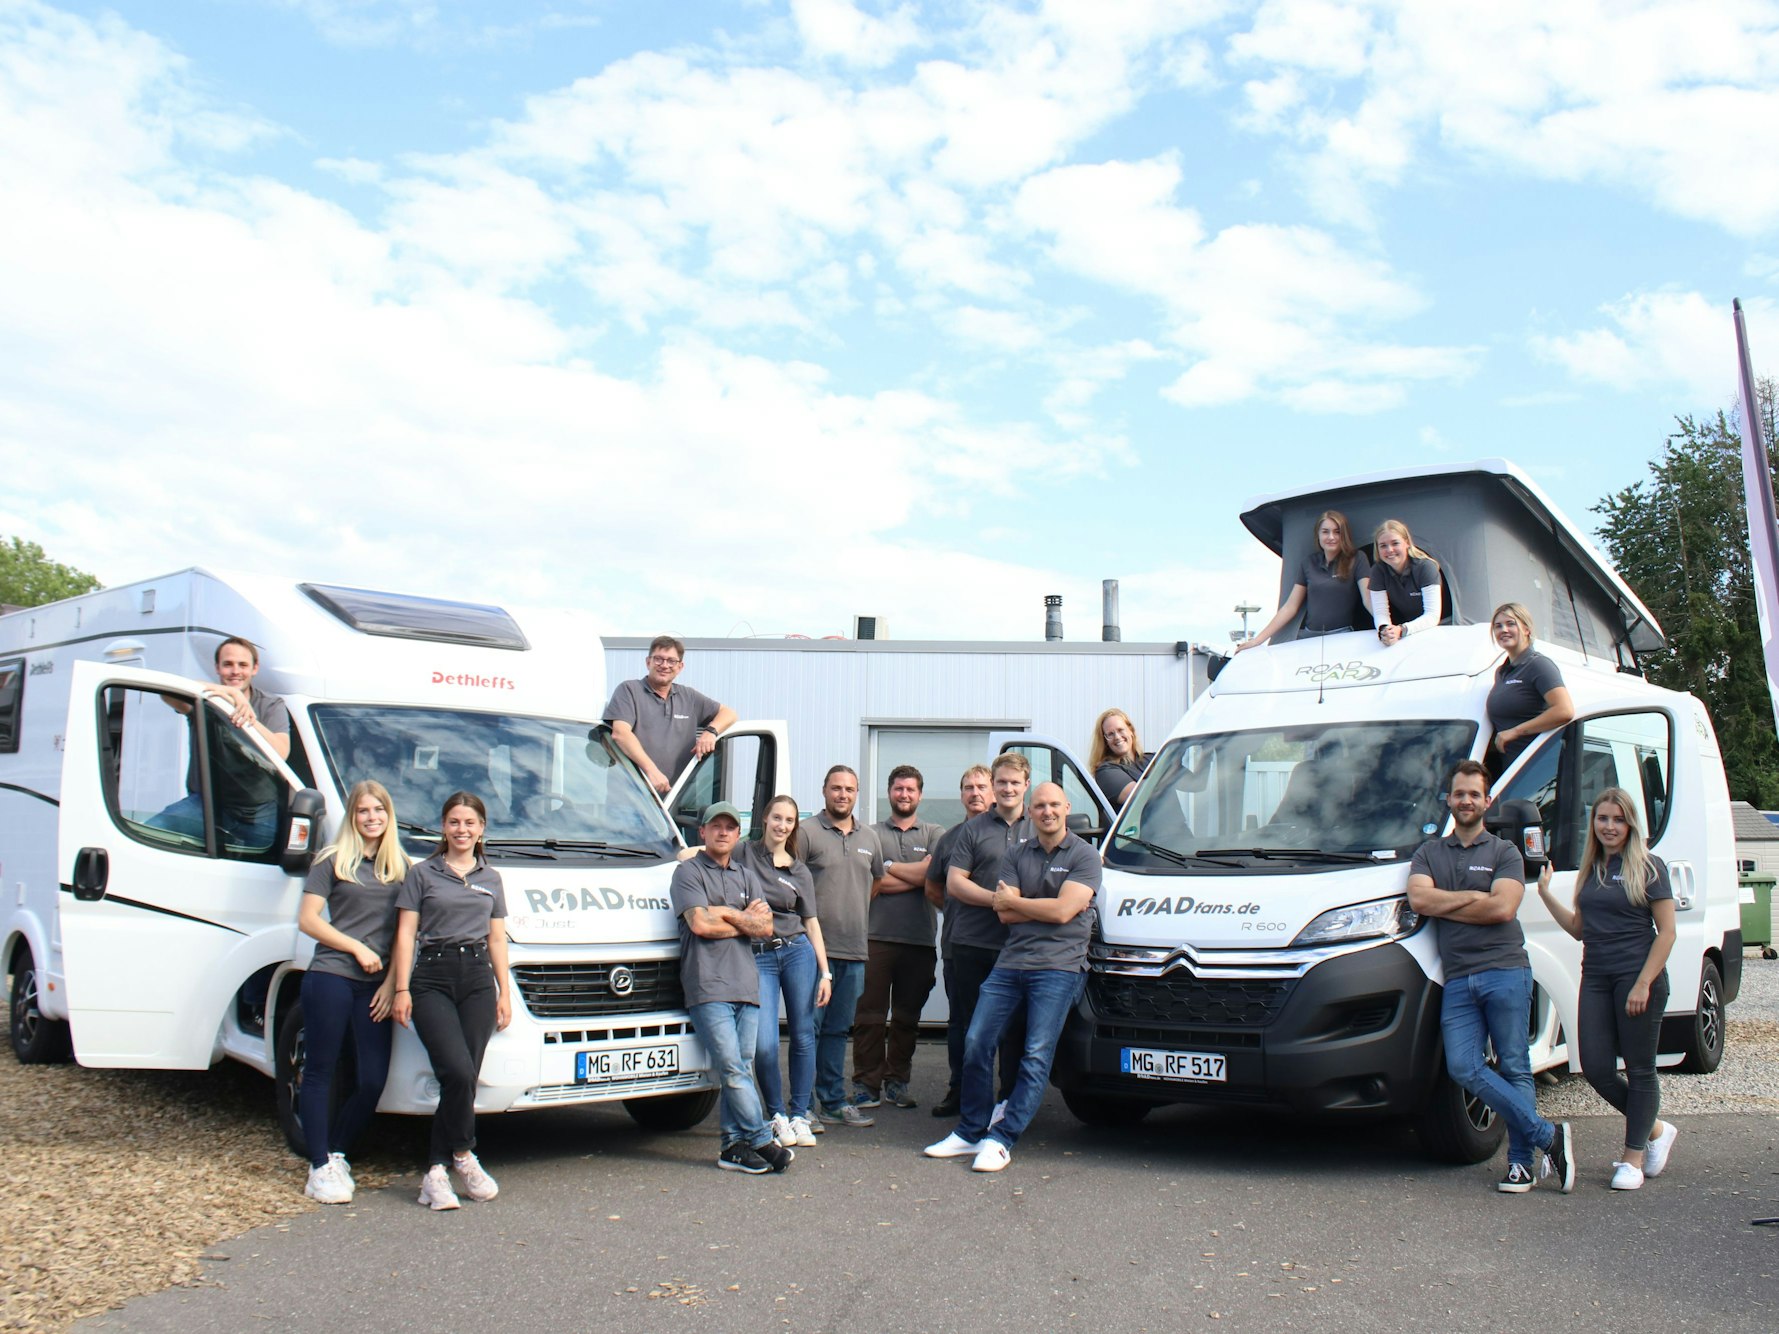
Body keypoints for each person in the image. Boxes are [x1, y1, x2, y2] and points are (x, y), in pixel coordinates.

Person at [1406, 760, 1573, 1194]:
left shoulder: (1505, 852)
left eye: (1474, 794)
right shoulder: (1429, 852)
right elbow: (1419, 899)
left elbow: (1503, 908)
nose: (1466, 801)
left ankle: (1519, 1164)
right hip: (1458, 978)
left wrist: (1450, 900)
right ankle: (1549, 1137)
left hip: (1505, 970)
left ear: (1487, 801)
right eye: (1459, 793)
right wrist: (1475, 896)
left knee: (1515, 1065)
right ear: (1449, 800)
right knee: (1463, 1066)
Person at [924, 782, 1099, 1173]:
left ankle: (1001, 1138)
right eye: (1040, 806)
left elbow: (1061, 913)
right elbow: (1005, 913)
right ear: (1030, 811)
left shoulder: (1086, 856)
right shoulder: (1017, 853)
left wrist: (1033, 906)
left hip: (1058, 967)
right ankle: (970, 1131)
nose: (1047, 812)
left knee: (1036, 1052)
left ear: (1067, 808)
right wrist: (1049, 907)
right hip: (1012, 962)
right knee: (976, 1041)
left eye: (1054, 804)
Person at [1536, 789, 1679, 1190]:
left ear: (1630, 823)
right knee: (1597, 1068)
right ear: (1593, 823)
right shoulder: (1592, 868)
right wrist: (1546, 894)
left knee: (1639, 1067)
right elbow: (1581, 930)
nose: (1610, 826)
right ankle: (1654, 1131)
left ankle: (1633, 1158)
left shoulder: (1650, 866)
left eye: (1618, 819)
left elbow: (1666, 934)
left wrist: (1643, 983)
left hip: (1638, 977)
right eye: (1602, 818)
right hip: (1596, 977)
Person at [390, 792, 513, 1209]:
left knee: (464, 1076)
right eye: (454, 822)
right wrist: (401, 988)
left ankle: (436, 1172)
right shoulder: (422, 873)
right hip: (432, 978)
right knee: (457, 1071)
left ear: (482, 830)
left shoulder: (491, 878)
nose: (462, 830)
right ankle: (464, 1153)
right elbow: (406, 933)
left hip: (478, 977)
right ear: (443, 826)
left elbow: (497, 938)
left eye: (470, 823)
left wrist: (505, 992)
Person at [295, 780, 411, 1204]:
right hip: (331, 975)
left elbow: (406, 934)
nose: (371, 818)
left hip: (374, 988)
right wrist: (356, 947)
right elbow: (308, 920)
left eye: (378, 810)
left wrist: (391, 984)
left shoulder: (401, 867)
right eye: (363, 811)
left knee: (372, 1079)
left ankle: (337, 1152)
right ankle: (318, 1167)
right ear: (352, 816)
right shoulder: (332, 860)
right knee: (320, 1070)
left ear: (388, 814)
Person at [671, 801, 793, 1174]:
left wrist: (720, 912)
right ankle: (759, 1138)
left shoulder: (745, 874)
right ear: (702, 833)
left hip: (746, 984)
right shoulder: (687, 873)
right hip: (708, 985)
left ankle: (731, 1147)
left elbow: (767, 928)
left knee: (741, 1065)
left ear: (738, 835)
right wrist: (742, 919)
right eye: (715, 826)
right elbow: (700, 926)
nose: (723, 832)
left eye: (730, 827)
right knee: (732, 1069)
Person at [738, 794, 831, 1151]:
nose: (782, 825)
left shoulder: (799, 870)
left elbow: (811, 922)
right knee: (763, 1043)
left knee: (803, 1034)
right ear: (765, 819)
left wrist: (826, 973)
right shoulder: (745, 854)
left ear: (794, 826)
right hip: (758, 956)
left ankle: (799, 1113)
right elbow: (702, 854)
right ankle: (776, 1113)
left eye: (789, 820)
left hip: (797, 953)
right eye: (777, 818)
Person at [944, 752, 1034, 1115]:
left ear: (1025, 785)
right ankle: (967, 1099)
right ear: (994, 786)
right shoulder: (973, 829)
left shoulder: (1038, 825)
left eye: (1015, 782)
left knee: (1014, 1030)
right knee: (969, 1027)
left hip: (1019, 948)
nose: (1008, 788)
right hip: (971, 944)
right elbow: (953, 884)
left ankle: (1008, 1101)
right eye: (1002, 782)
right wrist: (999, 902)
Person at [800, 766, 886, 1126]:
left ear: (857, 793)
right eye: (836, 788)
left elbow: (876, 881)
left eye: (849, 789)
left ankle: (833, 1101)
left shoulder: (869, 836)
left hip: (854, 952)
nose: (843, 794)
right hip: (811, 952)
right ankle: (801, 1107)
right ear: (824, 791)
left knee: (837, 1031)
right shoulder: (805, 833)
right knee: (809, 1030)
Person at [854, 766, 943, 1110]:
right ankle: (865, 1084)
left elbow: (930, 875)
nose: (904, 795)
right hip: (874, 938)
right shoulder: (870, 834)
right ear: (888, 792)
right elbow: (868, 884)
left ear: (920, 794)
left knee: (907, 1019)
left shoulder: (936, 833)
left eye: (910, 789)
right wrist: (916, 875)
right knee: (869, 1017)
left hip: (919, 940)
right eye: (898, 789)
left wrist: (887, 867)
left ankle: (897, 1082)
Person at [149, 635, 292, 847]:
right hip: (205, 805)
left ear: (255, 669)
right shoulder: (204, 698)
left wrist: (246, 715)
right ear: (217, 668)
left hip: (259, 812)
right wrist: (229, 693)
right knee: (147, 836)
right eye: (228, 664)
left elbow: (281, 753)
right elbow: (166, 691)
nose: (235, 671)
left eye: (243, 665)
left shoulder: (271, 705)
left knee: (262, 877)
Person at [928, 765, 993, 1119]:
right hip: (958, 946)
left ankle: (1005, 1094)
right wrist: (957, 912)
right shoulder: (950, 839)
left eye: (982, 786)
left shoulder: (1014, 834)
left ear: (994, 791)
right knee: (961, 1022)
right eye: (968, 787)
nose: (975, 792)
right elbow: (933, 886)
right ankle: (960, 1089)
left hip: (1003, 946)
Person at [603, 635, 737, 796]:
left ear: (680, 666)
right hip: (630, 799)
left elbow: (729, 713)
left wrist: (711, 732)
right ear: (648, 662)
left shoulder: (689, 697)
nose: (664, 665)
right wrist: (651, 771)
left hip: (674, 801)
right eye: (658, 659)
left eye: (671, 661)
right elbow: (620, 734)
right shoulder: (629, 690)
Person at [1235, 510, 1367, 650]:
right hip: (1309, 638)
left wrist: (1386, 626)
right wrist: (1257, 641)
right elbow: (1290, 607)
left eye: (1337, 532)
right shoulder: (1309, 563)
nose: (1331, 537)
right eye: (1325, 532)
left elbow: (1369, 598)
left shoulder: (1357, 559)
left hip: (1342, 636)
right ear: (1318, 534)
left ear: (1344, 535)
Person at [1486, 603, 1575, 772]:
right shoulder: (1501, 672)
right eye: (1498, 626)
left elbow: (1565, 710)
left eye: (1511, 623)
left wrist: (1516, 732)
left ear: (1526, 629)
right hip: (1509, 770)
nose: (1503, 629)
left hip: (1535, 772)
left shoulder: (1539, 665)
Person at [1362, 519, 1443, 646]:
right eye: (1383, 545)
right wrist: (1386, 630)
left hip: (1442, 626)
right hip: (1408, 630)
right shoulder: (1378, 571)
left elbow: (1432, 616)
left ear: (1407, 543)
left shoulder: (1426, 567)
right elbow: (1380, 612)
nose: (1390, 550)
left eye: (1395, 543)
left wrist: (1401, 630)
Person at [1088, 708, 1148, 808]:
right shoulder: (1105, 772)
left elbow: (1182, 779)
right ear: (1105, 741)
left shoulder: (1152, 759)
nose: (1117, 737)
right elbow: (1138, 796)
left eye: (1121, 730)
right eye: (1110, 734)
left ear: (1131, 731)